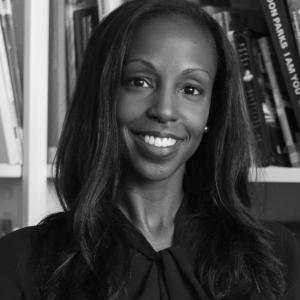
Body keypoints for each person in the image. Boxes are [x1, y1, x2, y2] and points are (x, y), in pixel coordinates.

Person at [0, 0, 299, 299]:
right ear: (103, 94)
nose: (165, 110)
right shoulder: (21, 262)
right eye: (139, 82)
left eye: (191, 89)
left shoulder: (278, 258)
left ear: (213, 110)